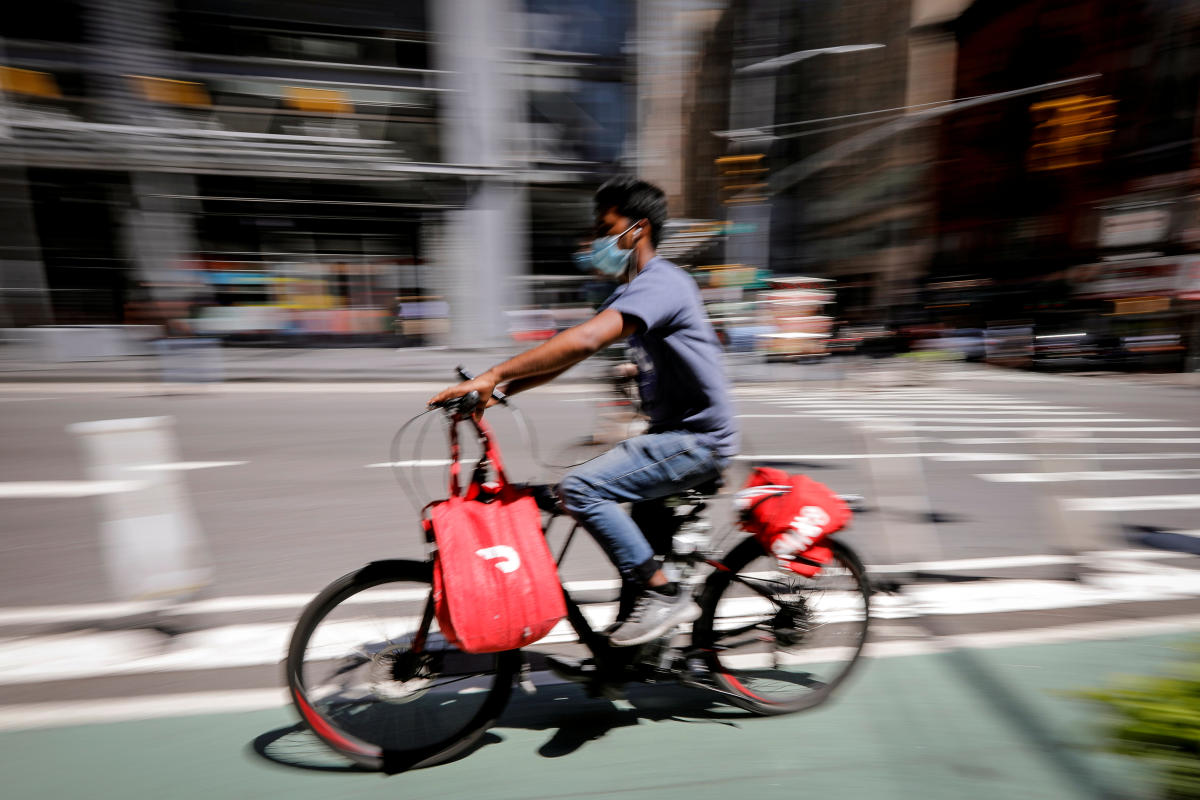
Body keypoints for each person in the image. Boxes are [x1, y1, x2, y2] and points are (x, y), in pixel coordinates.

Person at [428, 176, 739, 652]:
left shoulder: (663, 283)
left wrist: (491, 374)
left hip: (694, 443)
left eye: (603, 226)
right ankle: (629, 656)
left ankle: (666, 596)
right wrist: (499, 389)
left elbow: (586, 338)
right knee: (621, 547)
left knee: (581, 488)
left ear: (635, 230)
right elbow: (568, 356)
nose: (594, 239)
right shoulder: (635, 291)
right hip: (670, 437)